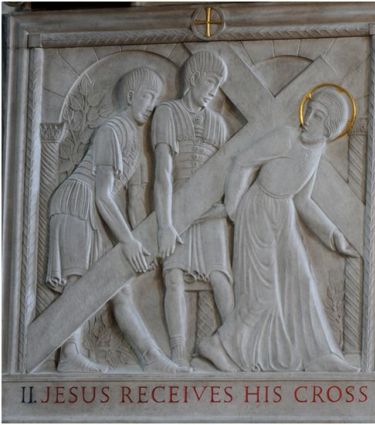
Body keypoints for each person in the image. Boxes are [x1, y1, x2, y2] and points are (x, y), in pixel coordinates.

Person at [198, 86, 359, 372]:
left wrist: (333, 236)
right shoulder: (286, 137)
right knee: (262, 294)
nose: (308, 118)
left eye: (318, 116)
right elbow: (243, 162)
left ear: (329, 130)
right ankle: (218, 345)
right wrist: (234, 207)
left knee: (302, 281)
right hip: (258, 211)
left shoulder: (316, 150)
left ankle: (320, 355)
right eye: (309, 110)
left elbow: (302, 200)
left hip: (283, 213)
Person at [46, 67, 187, 373]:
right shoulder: (112, 129)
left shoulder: (132, 139)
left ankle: (151, 358)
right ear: (132, 96)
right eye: (149, 96)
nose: (152, 104)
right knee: (78, 282)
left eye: (156, 98)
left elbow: (132, 200)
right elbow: (102, 194)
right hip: (78, 202)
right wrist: (128, 241)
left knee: (117, 288)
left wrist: (140, 243)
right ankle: (68, 355)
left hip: (98, 210)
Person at [152, 51, 235, 367]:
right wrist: (165, 224)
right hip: (178, 211)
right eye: (213, 81)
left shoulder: (218, 124)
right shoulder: (167, 113)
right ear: (195, 77)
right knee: (173, 277)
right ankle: (177, 356)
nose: (215, 89)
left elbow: (225, 176)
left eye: (219, 84)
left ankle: (232, 350)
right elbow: (162, 174)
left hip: (211, 213)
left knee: (220, 277)